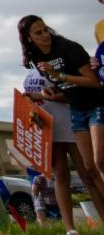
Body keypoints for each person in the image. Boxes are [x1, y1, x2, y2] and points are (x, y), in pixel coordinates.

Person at [18, 13, 104, 225]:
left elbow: (93, 82)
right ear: (29, 38)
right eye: (39, 32)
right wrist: (43, 95)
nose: (45, 34)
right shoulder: (37, 60)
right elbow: (65, 90)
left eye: (46, 29)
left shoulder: (67, 48)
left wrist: (60, 77)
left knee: (97, 163)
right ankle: (80, 226)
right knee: (87, 170)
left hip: (93, 105)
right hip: (74, 111)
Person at [23, 64, 104, 231]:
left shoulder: (59, 66)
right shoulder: (29, 73)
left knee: (88, 174)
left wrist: (42, 96)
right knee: (60, 176)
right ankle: (70, 229)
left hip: (71, 123)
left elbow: (74, 94)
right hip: (49, 128)